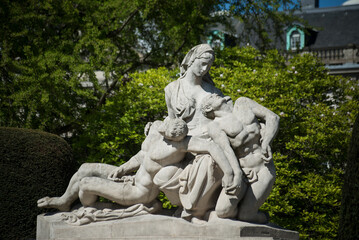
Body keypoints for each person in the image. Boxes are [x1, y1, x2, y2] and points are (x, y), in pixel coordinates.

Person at [37, 118, 236, 212]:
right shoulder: (159, 130)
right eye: (169, 133)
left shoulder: (183, 143)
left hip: (140, 192)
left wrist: (228, 172)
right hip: (131, 177)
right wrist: (124, 167)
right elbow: (143, 155)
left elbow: (212, 147)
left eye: (176, 137)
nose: (171, 137)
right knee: (85, 168)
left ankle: (94, 206)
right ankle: (64, 200)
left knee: (86, 184)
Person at [163, 44, 243, 220]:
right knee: (160, 174)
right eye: (203, 63)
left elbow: (226, 121)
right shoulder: (171, 89)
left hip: (209, 143)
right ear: (192, 59)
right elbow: (171, 120)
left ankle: (195, 210)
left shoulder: (214, 92)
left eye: (209, 65)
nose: (205, 68)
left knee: (209, 161)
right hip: (183, 143)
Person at [200, 93, 280, 223]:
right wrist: (236, 175)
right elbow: (227, 151)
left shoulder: (243, 104)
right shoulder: (214, 126)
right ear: (208, 108)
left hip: (263, 167)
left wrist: (267, 142)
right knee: (223, 211)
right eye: (210, 97)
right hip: (243, 170)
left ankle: (266, 221)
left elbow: (273, 117)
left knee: (247, 215)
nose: (214, 94)